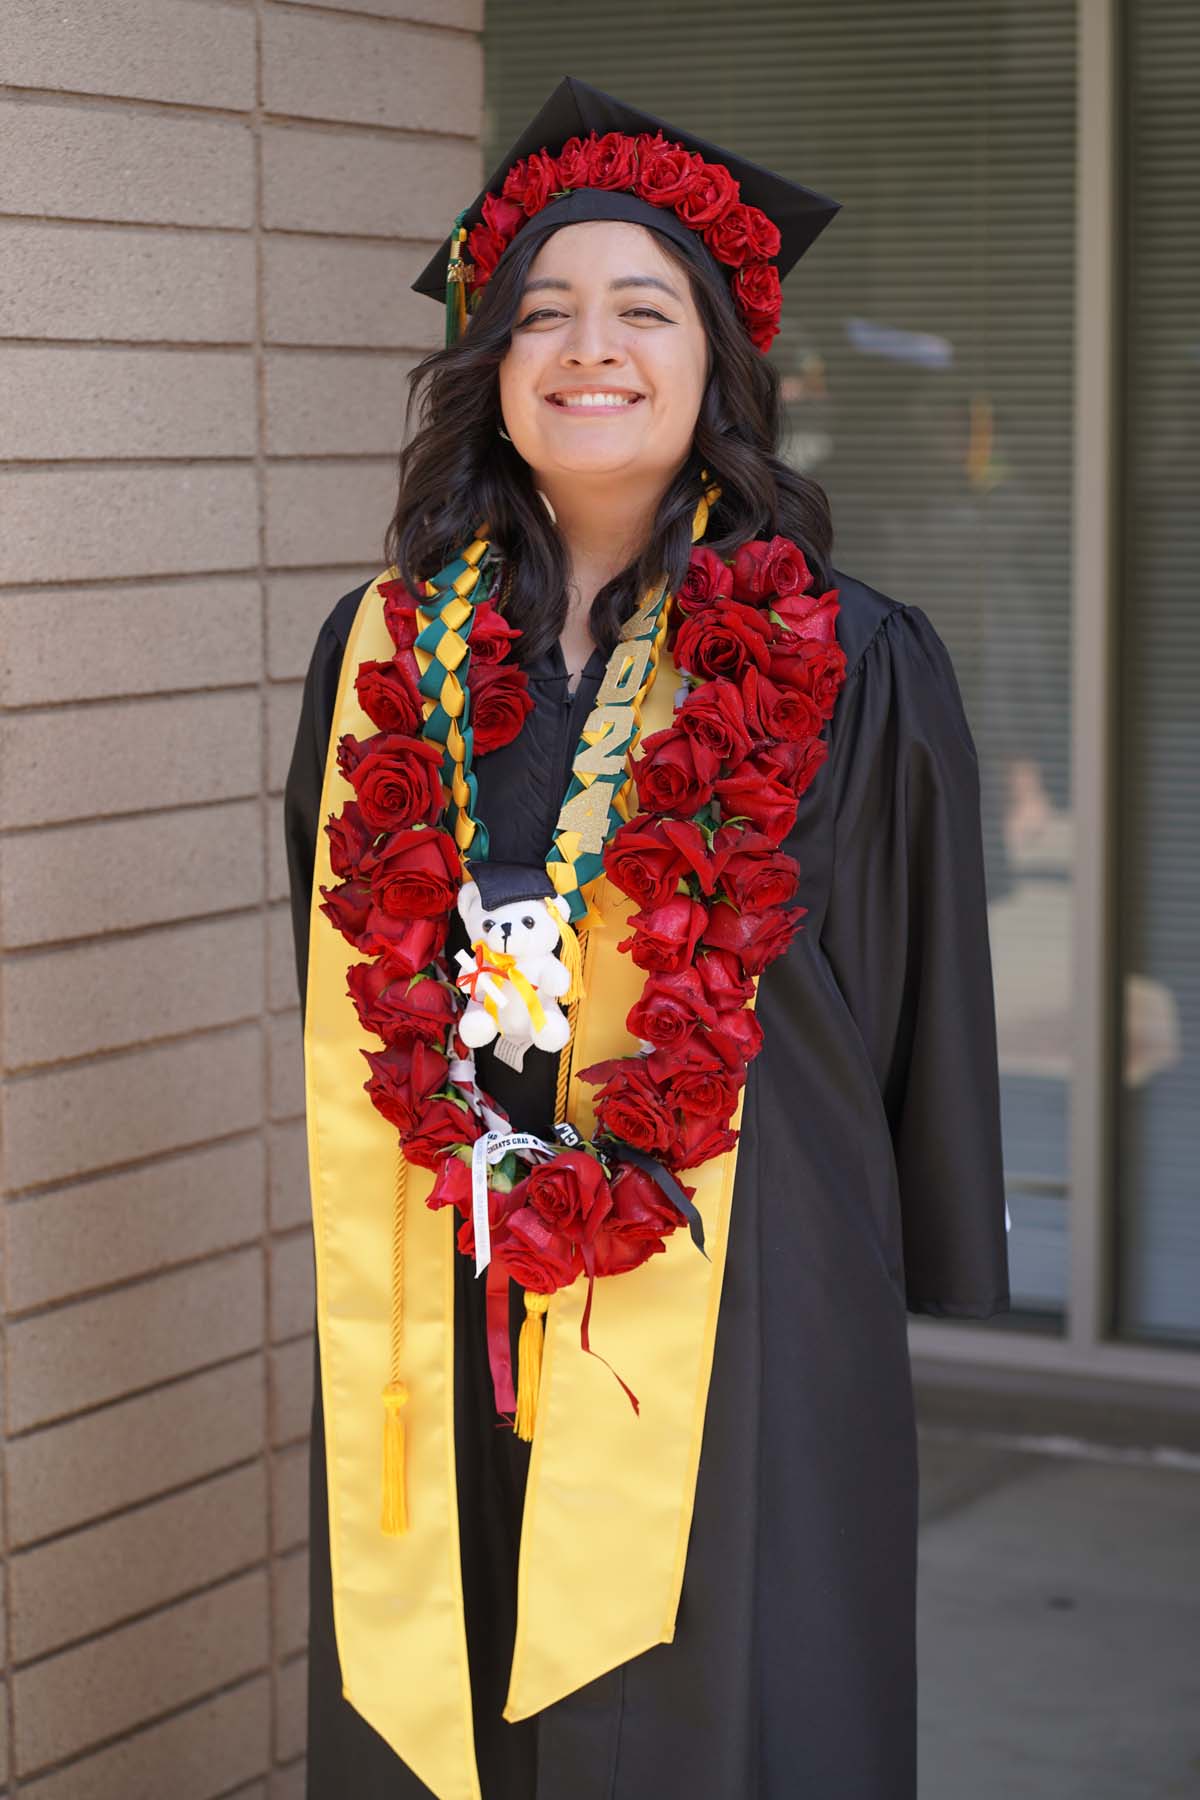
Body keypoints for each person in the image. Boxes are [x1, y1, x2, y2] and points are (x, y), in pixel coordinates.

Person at [284, 76, 1010, 1800]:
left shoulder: (849, 654)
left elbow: (917, 1001)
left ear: (716, 362)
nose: (587, 348)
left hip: (743, 1277)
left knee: (725, 1695)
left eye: (640, 309)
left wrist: (884, 1266)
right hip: (450, 1261)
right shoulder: (388, 651)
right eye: (541, 313)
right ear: (492, 370)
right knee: (457, 1673)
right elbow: (331, 959)